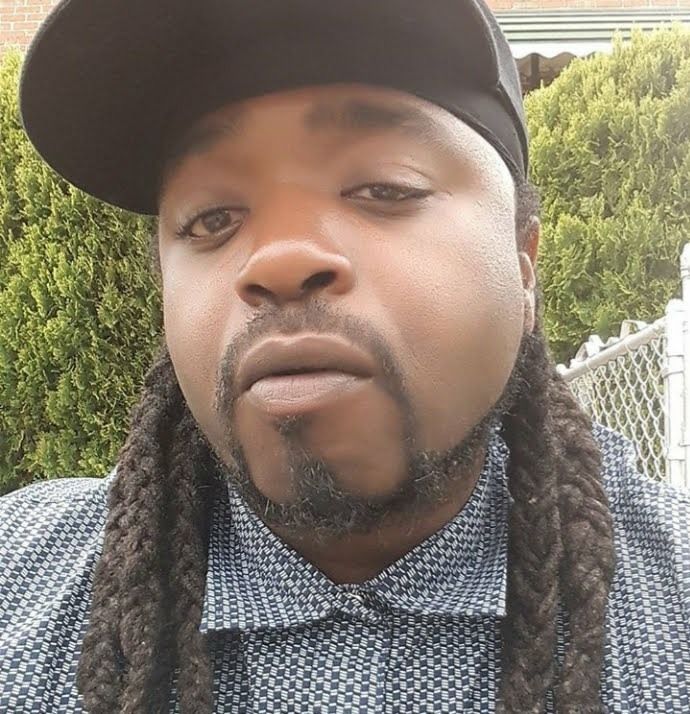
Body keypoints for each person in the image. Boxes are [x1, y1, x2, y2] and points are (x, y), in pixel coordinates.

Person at [1, 0, 688, 712]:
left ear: (523, 268)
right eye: (212, 219)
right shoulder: (17, 583)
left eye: (385, 188)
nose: (279, 259)